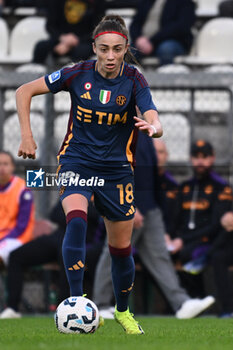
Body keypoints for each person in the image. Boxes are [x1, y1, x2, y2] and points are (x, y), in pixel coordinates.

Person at [16, 14, 163, 334]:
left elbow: (152, 113)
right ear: (94, 47)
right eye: (104, 49)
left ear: (126, 49)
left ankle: (123, 311)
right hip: (77, 162)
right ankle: (75, 301)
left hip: (117, 171)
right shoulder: (75, 73)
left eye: (118, 50)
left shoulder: (134, 80)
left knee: (121, 249)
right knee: (77, 219)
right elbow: (24, 91)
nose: (111, 56)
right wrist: (26, 134)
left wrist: (155, 127)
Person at [93, 135, 215, 319]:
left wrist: (156, 206)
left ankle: (181, 303)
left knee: (159, 256)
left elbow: (150, 175)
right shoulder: (117, 130)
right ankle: (100, 305)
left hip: (150, 207)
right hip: (128, 206)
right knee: (114, 253)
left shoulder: (144, 133)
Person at [0, 200, 104, 319]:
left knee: (67, 256)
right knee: (16, 256)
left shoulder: (101, 196)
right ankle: (12, 308)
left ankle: (64, 308)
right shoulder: (74, 190)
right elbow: (54, 215)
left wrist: (75, 213)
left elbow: (96, 220)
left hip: (84, 241)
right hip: (59, 236)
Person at [167, 140, 233, 298]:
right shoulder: (184, 187)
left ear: (213, 158)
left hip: (207, 241)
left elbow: (216, 225)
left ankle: (199, 298)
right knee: (161, 254)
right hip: (183, 241)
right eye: (196, 157)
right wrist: (169, 237)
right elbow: (174, 219)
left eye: (205, 156)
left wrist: (183, 240)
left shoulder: (222, 187)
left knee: (189, 254)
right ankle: (182, 303)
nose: (200, 161)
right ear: (190, 159)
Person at [32, 0, 105, 64]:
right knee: (40, 47)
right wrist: (62, 38)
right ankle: (37, 76)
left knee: (81, 51)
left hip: (85, 41)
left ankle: (75, 77)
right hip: (61, 39)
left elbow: (98, 29)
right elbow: (50, 26)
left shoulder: (97, 2)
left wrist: (75, 41)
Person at [129, 0, 196, 65]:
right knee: (128, 51)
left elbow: (180, 27)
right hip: (144, 41)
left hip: (173, 41)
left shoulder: (185, 2)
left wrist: (152, 41)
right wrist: (138, 38)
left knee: (166, 49)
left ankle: (167, 75)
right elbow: (135, 24)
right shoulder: (147, 1)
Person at [0, 150, 34, 269]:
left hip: (16, 237)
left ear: (13, 167)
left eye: (5, 164)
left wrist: (2, 239)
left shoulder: (22, 189)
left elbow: (21, 226)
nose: (2, 168)